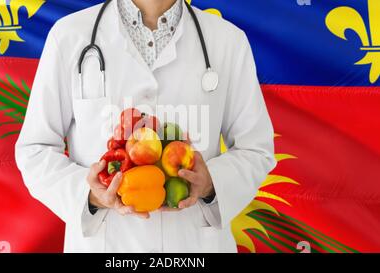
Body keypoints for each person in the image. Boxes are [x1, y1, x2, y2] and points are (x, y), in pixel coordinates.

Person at [15, 0, 276, 252]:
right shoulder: (69, 36)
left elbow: (255, 148)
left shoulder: (228, 41)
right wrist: (90, 195)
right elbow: (35, 149)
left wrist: (211, 184)